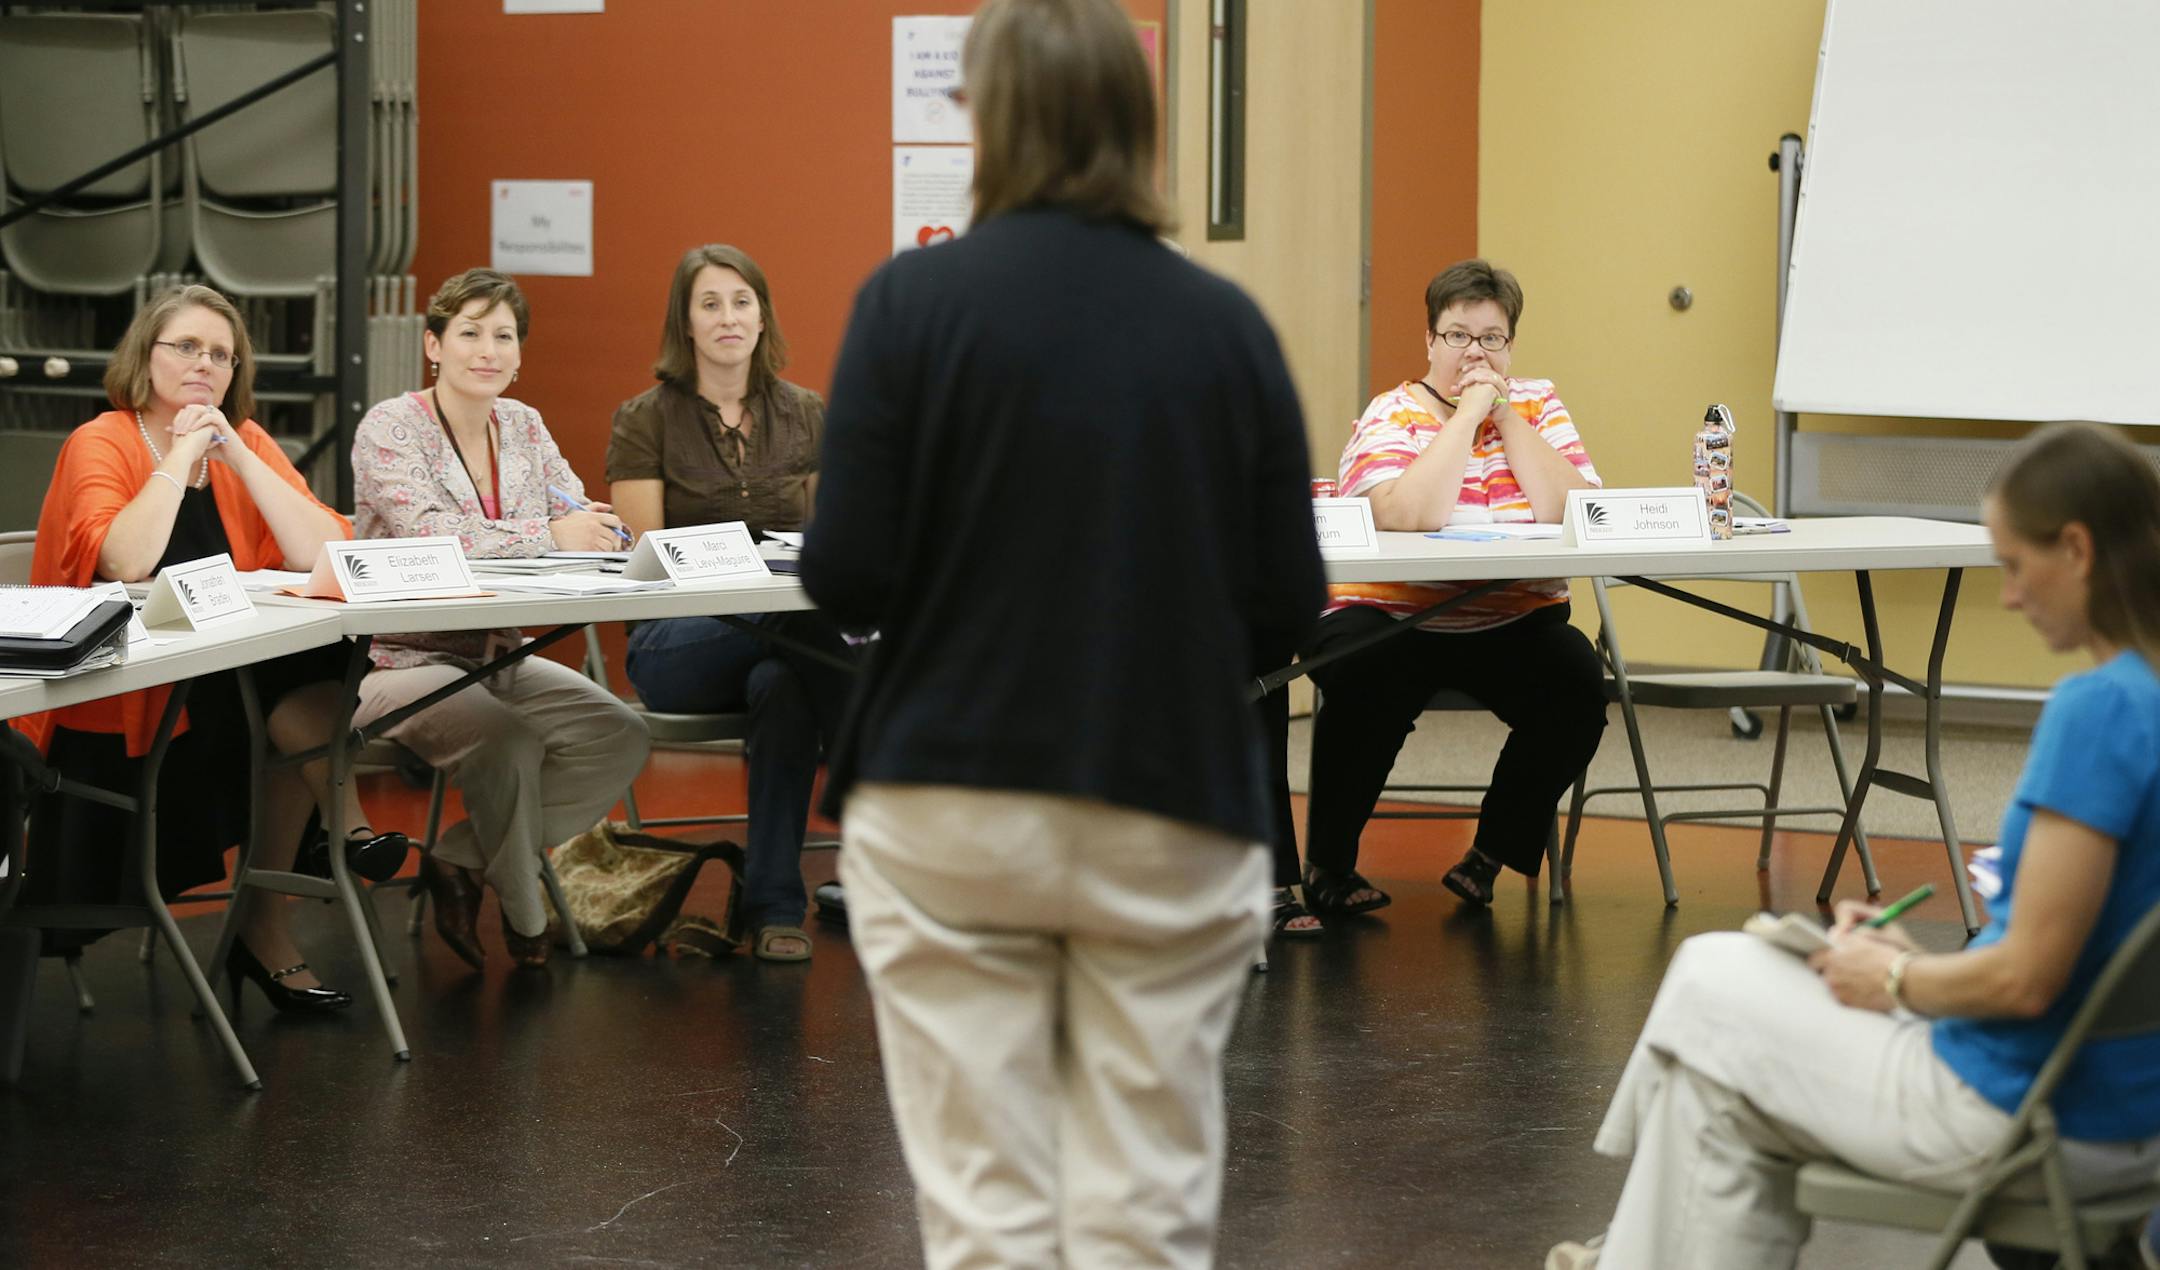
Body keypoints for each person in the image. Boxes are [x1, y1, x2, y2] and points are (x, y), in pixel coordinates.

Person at [800, 1, 1325, 1263]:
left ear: (988, 120)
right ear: (1138, 126)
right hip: (1171, 797)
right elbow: (1288, 601)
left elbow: (846, 574)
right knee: (1145, 1209)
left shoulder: (909, 304)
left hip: (947, 799)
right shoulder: (1226, 325)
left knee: (986, 1210)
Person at [1547, 421, 2160, 1270]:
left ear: (2080, 549)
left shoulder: (2101, 712)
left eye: (2015, 565)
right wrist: (1911, 969)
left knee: (1710, 980)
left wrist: (1900, 978)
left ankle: (1621, 1252)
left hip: (2023, 1111)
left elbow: (2026, 979)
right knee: (1714, 1102)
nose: (2010, 595)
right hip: (2128, 1117)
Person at [19, 284, 410, 1014]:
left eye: (222, 355)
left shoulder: (246, 442)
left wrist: (237, 452)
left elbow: (326, 550)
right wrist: (184, 450)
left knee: (309, 660)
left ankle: (331, 841)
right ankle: (329, 844)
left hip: (222, 701)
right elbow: (126, 560)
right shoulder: (101, 440)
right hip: (124, 709)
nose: (206, 364)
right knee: (299, 683)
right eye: (188, 347)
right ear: (147, 355)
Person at [351, 268, 650, 971]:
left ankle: (456, 857)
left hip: (496, 649)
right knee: (509, 742)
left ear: (519, 356)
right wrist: (550, 534)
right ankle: (524, 917)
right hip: (396, 657)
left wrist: (584, 530)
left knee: (620, 734)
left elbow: (576, 514)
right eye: (470, 333)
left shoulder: (524, 425)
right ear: (433, 344)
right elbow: (428, 535)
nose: (487, 349)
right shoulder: (391, 426)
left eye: (503, 336)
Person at [1300, 259, 1606, 916]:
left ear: (1510, 346)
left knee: (1578, 683)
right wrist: (1466, 417)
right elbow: (1409, 516)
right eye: (1459, 336)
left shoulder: (1539, 403)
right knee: (1360, 676)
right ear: (1431, 343)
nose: (1475, 352)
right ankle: (1328, 865)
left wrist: (1508, 417)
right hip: (1392, 613)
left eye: (1491, 338)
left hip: (1510, 617)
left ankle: (1489, 854)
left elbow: (1574, 509)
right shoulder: (1394, 412)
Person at [606, 244, 856, 963]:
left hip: (788, 644)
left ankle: (774, 907)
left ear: (762, 315)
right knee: (813, 624)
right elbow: (646, 557)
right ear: (685, 322)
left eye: (741, 301)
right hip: (678, 645)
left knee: (785, 683)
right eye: (709, 303)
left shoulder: (806, 413)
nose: (727, 317)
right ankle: (873, 786)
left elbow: (829, 535)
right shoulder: (644, 417)